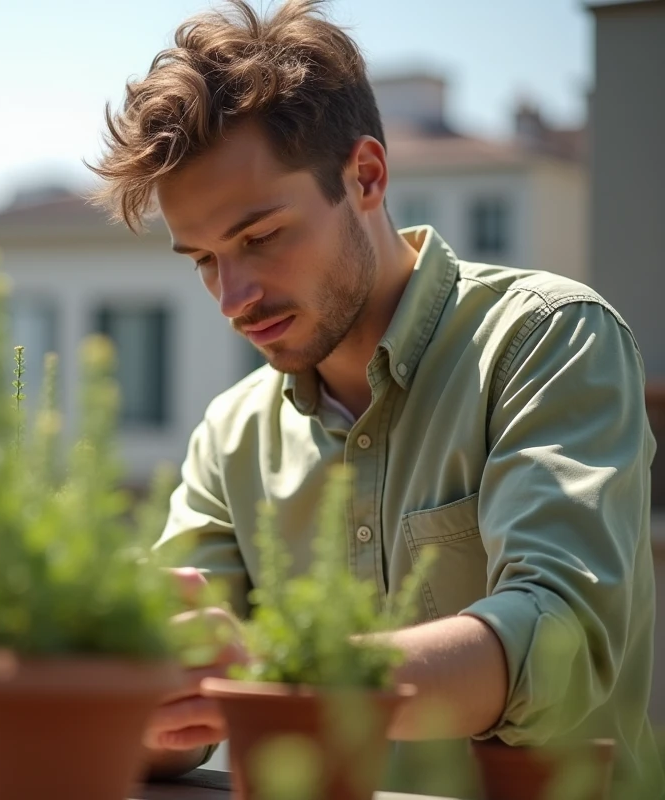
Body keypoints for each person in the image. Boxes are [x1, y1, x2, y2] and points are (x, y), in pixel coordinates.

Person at [87, 0, 665, 797]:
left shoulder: (549, 340)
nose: (234, 297)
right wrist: (145, 696)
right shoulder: (233, 435)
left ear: (366, 176)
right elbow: (171, 736)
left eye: (260, 238)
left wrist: (280, 672)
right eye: (205, 261)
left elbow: (562, 645)